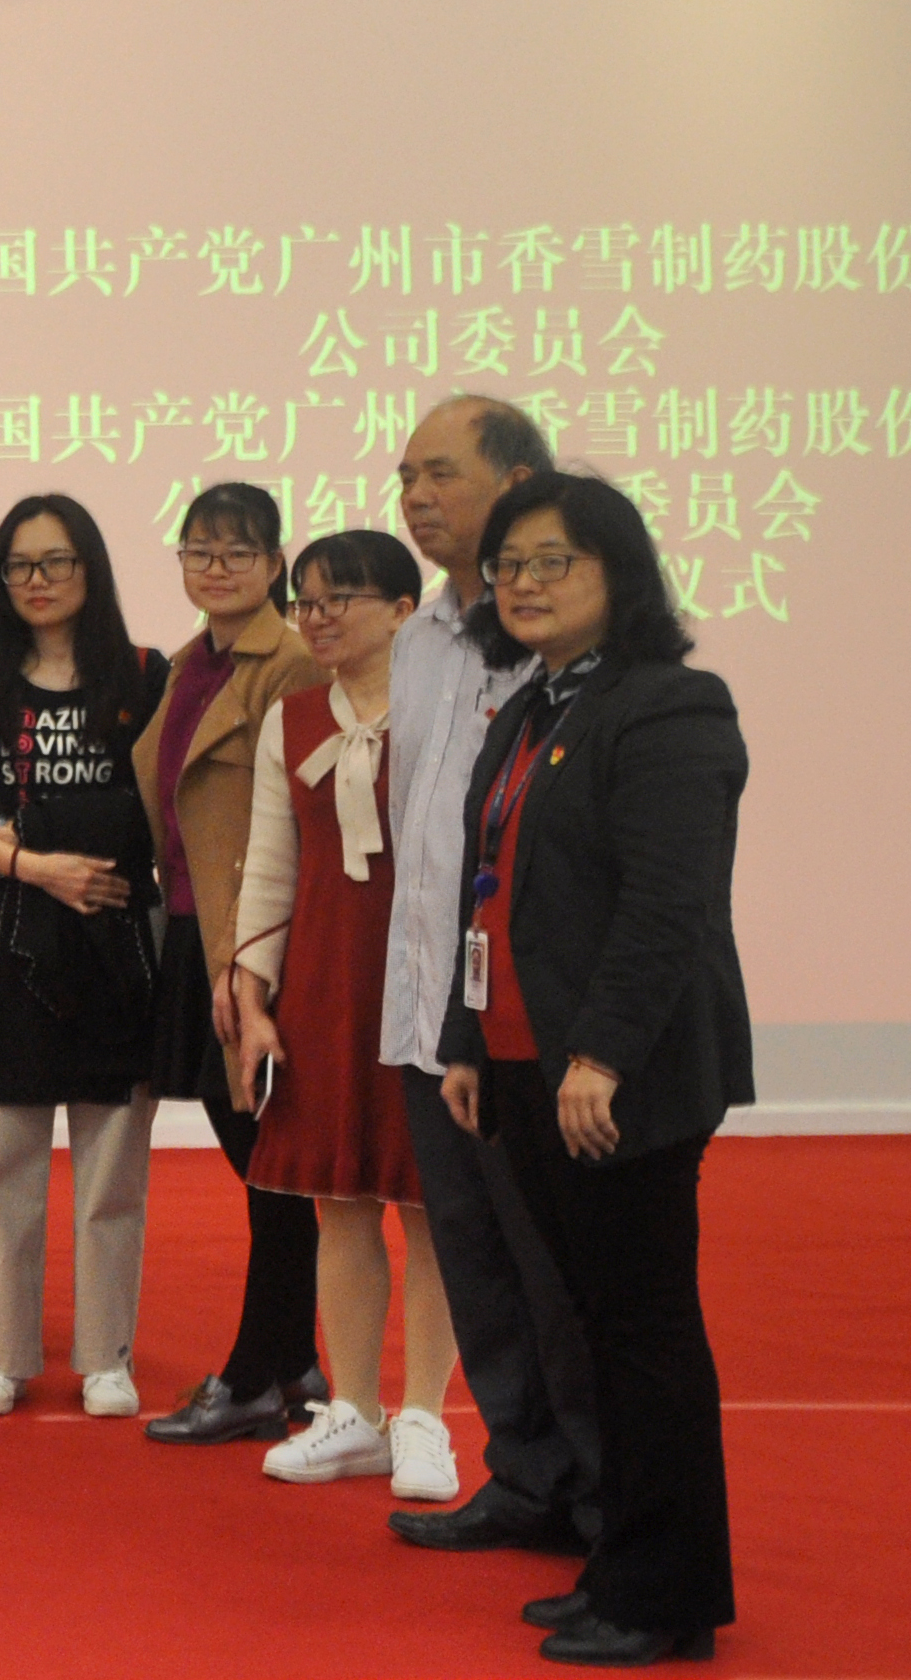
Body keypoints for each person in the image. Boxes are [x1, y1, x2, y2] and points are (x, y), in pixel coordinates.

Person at [439, 476, 749, 1669]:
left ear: (618, 572)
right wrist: (468, 1040)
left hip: (618, 1077)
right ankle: (619, 1564)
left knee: (642, 1331)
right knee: (590, 1327)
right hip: (524, 1066)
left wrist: (601, 1053)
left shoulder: (669, 704)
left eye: (552, 560)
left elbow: (668, 907)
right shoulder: (532, 708)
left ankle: (667, 1594)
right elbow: (489, 893)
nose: (522, 582)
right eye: (508, 564)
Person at [381, 398, 604, 1559]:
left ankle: (602, 1505)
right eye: (404, 476)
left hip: (524, 1024)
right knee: (473, 1261)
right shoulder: (419, 634)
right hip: (434, 1018)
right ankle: (524, 1475)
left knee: (555, 1273)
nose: (415, 497)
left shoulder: (556, 643)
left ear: (519, 480)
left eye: (441, 474)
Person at [225, 529, 460, 1501]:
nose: (315, 618)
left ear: (403, 610)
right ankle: (354, 1411)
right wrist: (251, 992)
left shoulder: (448, 710)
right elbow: (269, 864)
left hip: (424, 980)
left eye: (338, 600)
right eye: (306, 601)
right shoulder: (290, 718)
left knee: (432, 1202)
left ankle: (424, 1416)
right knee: (338, 1200)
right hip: (324, 978)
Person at [0, 492, 168, 1417]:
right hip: (4, 927)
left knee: (112, 1161)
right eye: (19, 565)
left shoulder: (141, 675)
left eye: (55, 561)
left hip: (116, 933)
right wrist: (36, 866)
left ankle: (106, 1355)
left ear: (89, 568)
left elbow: (170, 804)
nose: (36, 580)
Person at [127, 483, 329, 1451]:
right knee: (262, 1167)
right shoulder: (187, 663)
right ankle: (290, 1363)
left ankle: (257, 1371)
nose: (215, 567)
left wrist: (247, 962)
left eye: (237, 551)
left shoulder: (288, 662)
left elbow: (288, 825)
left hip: (247, 945)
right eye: (198, 549)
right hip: (185, 928)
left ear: (275, 562)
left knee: (273, 1169)